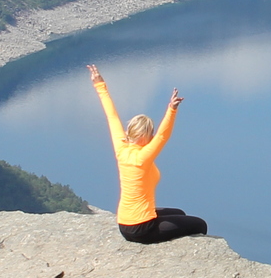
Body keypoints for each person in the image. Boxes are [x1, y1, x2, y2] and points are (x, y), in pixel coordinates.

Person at [88, 64, 208, 244]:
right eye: (150, 134)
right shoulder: (143, 157)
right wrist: (172, 110)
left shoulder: (122, 149)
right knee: (199, 225)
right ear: (145, 137)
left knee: (180, 213)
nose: (153, 136)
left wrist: (100, 85)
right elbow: (162, 136)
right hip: (143, 228)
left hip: (124, 224)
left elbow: (112, 117)